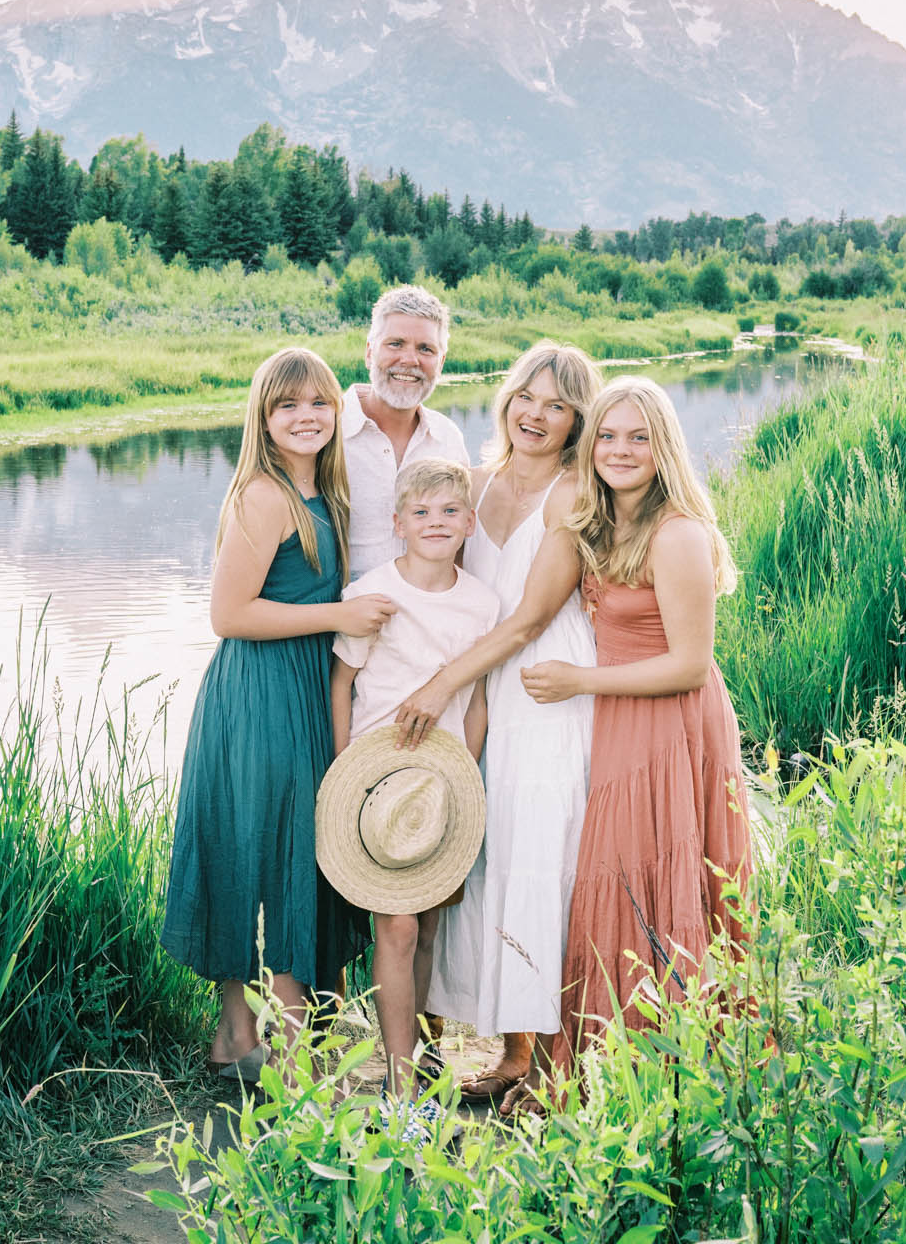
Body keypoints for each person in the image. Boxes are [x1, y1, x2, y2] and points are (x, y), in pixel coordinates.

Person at [160, 346, 397, 1080]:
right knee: (274, 854)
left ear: (338, 412)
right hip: (258, 693)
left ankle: (236, 1039)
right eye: (287, 405)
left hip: (296, 686)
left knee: (264, 848)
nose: (306, 416)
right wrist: (342, 612)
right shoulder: (264, 495)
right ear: (263, 418)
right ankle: (294, 1058)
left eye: (319, 402)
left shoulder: (325, 494)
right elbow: (228, 614)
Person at [522, 375, 750, 1072]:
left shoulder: (678, 532)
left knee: (658, 874)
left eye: (639, 438)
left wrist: (578, 682)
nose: (620, 451)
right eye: (608, 436)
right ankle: (612, 1060)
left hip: (671, 719)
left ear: (664, 447)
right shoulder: (603, 520)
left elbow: (688, 664)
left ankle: (675, 1063)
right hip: (624, 714)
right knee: (615, 872)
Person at [408, 340, 602, 1110]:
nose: (537, 414)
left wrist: (443, 680)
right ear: (507, 398)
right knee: (470, 851)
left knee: (535, 851)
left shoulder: (569, 493)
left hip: (538, 686)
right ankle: (480, 1045)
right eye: (528, 395)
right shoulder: (472, 482)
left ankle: (539, 1058)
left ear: (575, 420)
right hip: (470, 692)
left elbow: (528, 619)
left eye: (557, 405)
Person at [327, 457, 501, 1136]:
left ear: (470, 522)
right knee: (395, 926)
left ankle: (416, 1060)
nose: (436, 524)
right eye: (421, 513)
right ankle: (401, 1092)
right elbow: (343, 682)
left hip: (441, 787)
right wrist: (344, 767)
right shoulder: (374, 593)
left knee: (426, 927)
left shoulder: (481, 603)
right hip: (377, 785)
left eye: (449, 513)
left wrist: (468, 778)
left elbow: (479, 700)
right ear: (396, 523)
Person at [339, 284, 469, 576]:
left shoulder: (449, 440)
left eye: (426, 349)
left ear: (441, 362)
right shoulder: (327, 431)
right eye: (395, 343)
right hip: (339, 618)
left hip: (429, 618)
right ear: (370, 352)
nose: (410, 360)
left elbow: (459, 547)